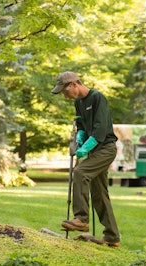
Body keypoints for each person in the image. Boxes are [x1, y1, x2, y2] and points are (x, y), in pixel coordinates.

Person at [51, 71, 120, 247]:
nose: (65, 97)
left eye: (65, 92)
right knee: (99, 193)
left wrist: (85, 148)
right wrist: (80, 138)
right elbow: (81, 125)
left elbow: (100, 129)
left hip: (105, 148)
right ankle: (112, 237)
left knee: (80, 173)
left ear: (74, 84)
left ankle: (81, 219)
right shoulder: (78, 102)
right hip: (95, 150)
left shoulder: (97, 98)